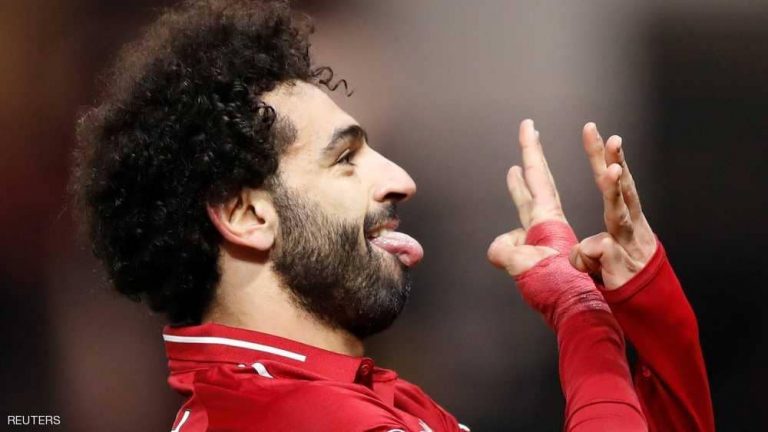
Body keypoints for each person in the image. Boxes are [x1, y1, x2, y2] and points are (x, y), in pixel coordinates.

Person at [71, 1, 714, 430]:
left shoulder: (326, 398)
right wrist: (584, 320)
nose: (401, 180)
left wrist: (645, 299)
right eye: (345, 159)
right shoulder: (284, 418)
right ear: (245, 214)